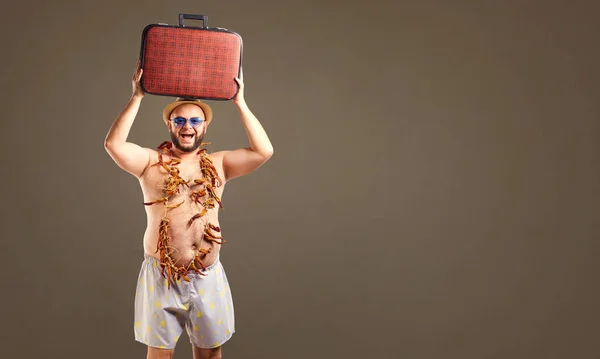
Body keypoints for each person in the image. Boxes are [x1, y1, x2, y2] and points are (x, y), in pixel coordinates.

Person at [104, 59, 274, 359]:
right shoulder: (149, 163)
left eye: (195, 121)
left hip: (207, 275)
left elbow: (264, 151)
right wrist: (137, 96)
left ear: (204, 126)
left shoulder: (219, 164)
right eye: (179, 120)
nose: (187, 127)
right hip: (162, 276)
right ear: (169, 125)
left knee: (209, 355)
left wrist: (240, 101)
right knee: (159, 356)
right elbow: (114, 145)